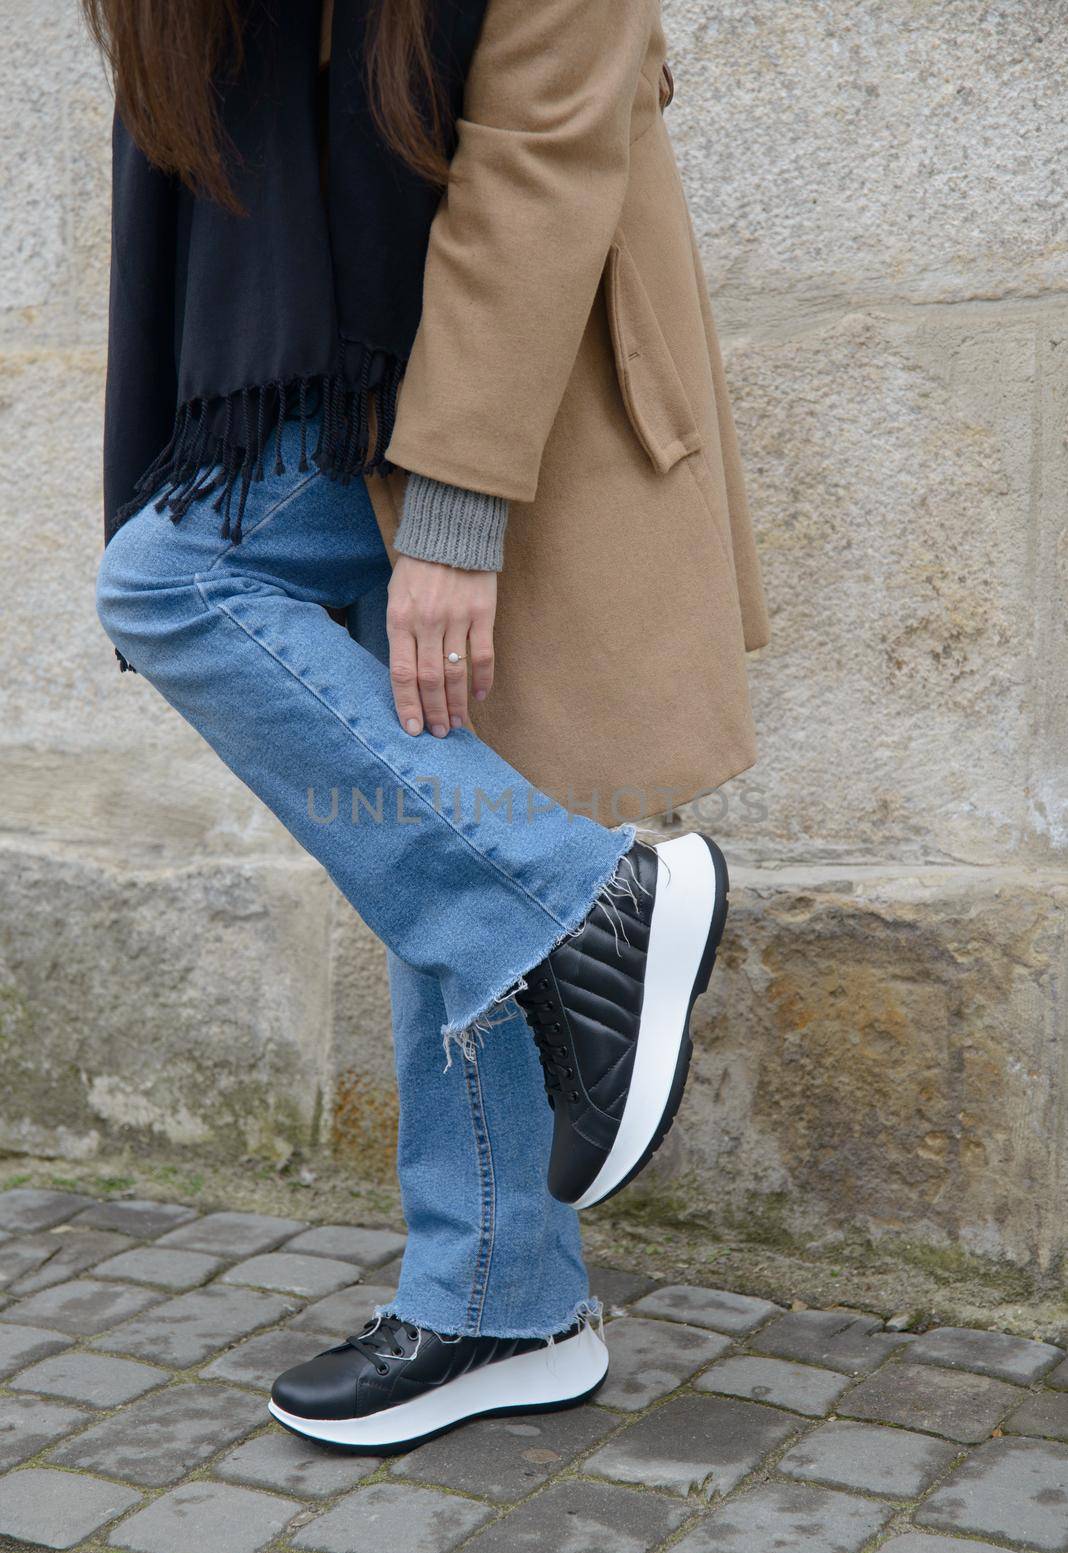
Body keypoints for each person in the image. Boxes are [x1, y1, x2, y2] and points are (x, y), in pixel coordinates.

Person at [88, 0, 769, 1453]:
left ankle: (586, 904)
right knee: (444, 815)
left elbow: (543, 148)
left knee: (178, 583)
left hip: (510, 389)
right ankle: (501, 1302)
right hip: (301, 379)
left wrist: (454, 521)